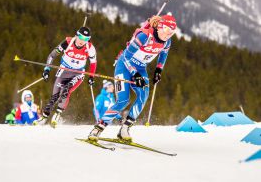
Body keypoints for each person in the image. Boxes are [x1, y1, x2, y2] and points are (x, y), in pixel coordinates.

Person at [88, 13, 177, 141]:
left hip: (141, 68)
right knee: (123, 100)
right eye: (167, 30)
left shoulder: (166, 42)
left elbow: (163, 55)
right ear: (160, 27)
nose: (168, 34)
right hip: (124, 66)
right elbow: (126, 57)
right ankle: (98, 128)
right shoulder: (144, 36)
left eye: (172, 32)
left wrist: (158, 69)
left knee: (143, 95)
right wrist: (134, 74)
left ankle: (125, 129)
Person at [34, 26, 97, 127]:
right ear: (76, 35)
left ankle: (58, 114)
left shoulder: (90, 48)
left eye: (86, 39)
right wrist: (46, 70)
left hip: (78, 73)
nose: (82, 41)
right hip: (63, 71)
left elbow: (93, 63)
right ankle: (44, 117)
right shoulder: (67, 42)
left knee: (66, 90)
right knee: (55, 95)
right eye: (81, 37)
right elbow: (52, 55)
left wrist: (91, 77)